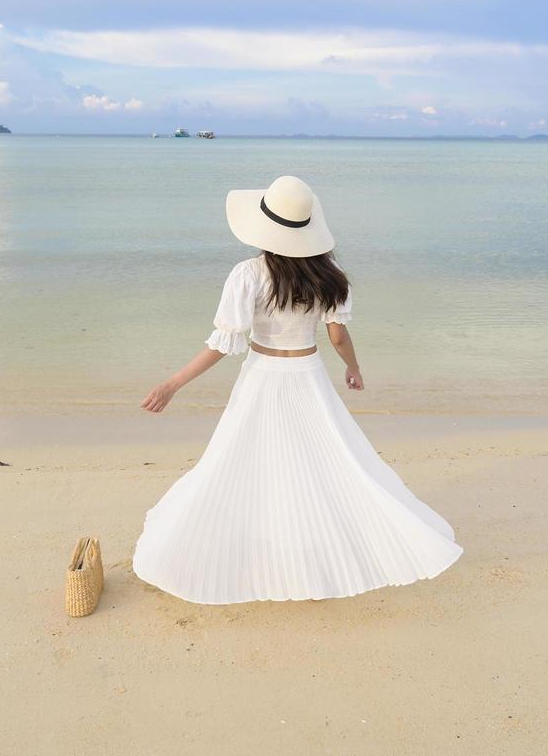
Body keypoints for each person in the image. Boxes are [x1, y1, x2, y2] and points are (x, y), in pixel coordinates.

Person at [133, 175, 463, 604]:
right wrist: (353, 369)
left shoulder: (248, 274)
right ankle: (317, 549)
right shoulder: (332, 277)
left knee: (242, 463)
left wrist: (173, 383)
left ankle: (268, 551)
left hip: (263, 376)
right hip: (308, 375)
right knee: (327, 462)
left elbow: (224, 342)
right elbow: (338, 336)